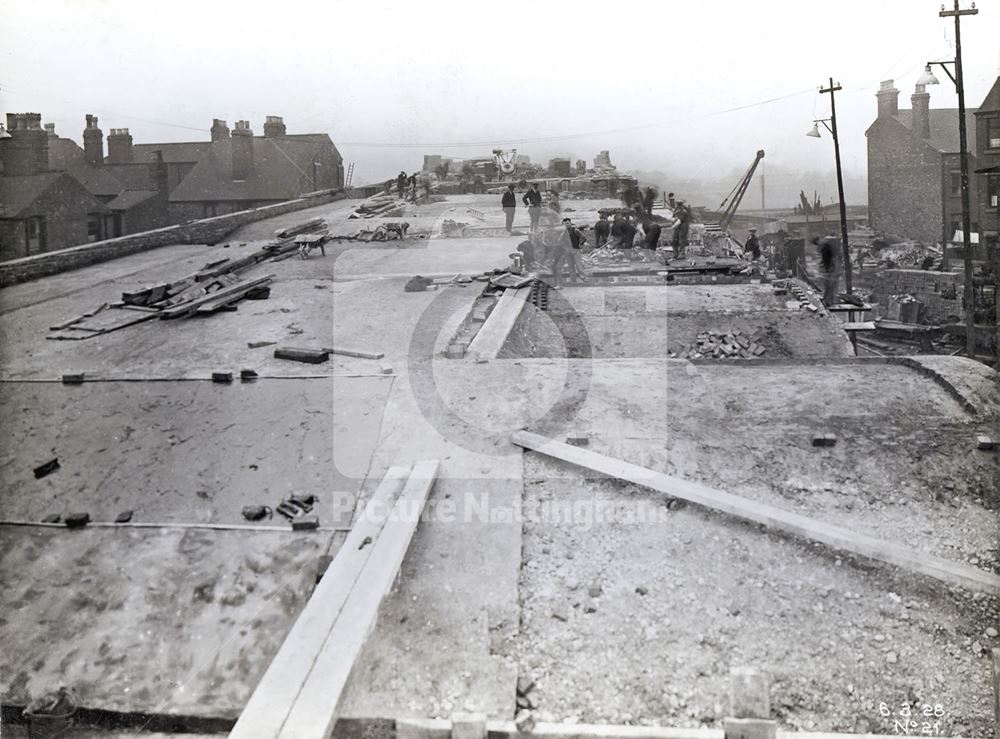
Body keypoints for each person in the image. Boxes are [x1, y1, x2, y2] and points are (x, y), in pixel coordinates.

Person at [814, 235, 840, 305]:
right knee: (829, 286)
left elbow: (827, 259)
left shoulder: (824, 246)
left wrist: (826, 268)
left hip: (830, 269)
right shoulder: (825, 245)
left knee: (829, 285)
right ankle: (828, 300)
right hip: (831, 268)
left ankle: (828, 301)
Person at [562, 217, 588, 281]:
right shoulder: (564, 232)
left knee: (578, 265)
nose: (566, 225)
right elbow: (562, 241)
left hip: (576, 251)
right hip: (567, 252)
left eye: (567, 223)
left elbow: (584, 237)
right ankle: (573, 280)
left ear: (570, 223)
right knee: (570, 266)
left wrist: (580, 244)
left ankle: (584, 278)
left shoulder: (576, 230)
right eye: (565, 224)